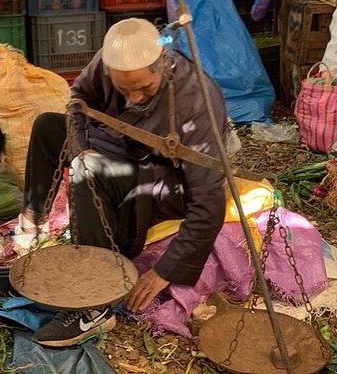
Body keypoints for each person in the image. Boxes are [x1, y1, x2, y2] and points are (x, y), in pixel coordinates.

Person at [18, 18, 229, 348]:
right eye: (123, 89)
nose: (134, 97)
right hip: (114, 146)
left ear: (165, 63)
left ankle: (94, 305)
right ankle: (32, 224)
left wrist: (165, 270)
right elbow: (77, 99)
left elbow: (209, 201)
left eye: (144, 88)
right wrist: (79, 146)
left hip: (161, 178)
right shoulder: (108, 61)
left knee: (90, 172)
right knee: (48, 127)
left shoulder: (197, 101)